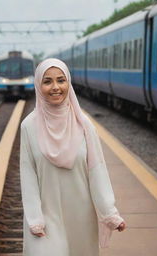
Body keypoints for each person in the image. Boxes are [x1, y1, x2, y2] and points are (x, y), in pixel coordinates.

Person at [20, 58, 126, 256]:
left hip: (81, 216)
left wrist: (109, 214)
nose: (55, 87)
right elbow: (28, 176)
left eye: (61, 80)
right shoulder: (28, 126)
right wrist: (34, 219)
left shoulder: (84, 125)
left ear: (69, 83)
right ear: (38, 85)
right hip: (46, 216)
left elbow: (97, 171)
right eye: (47, 81)